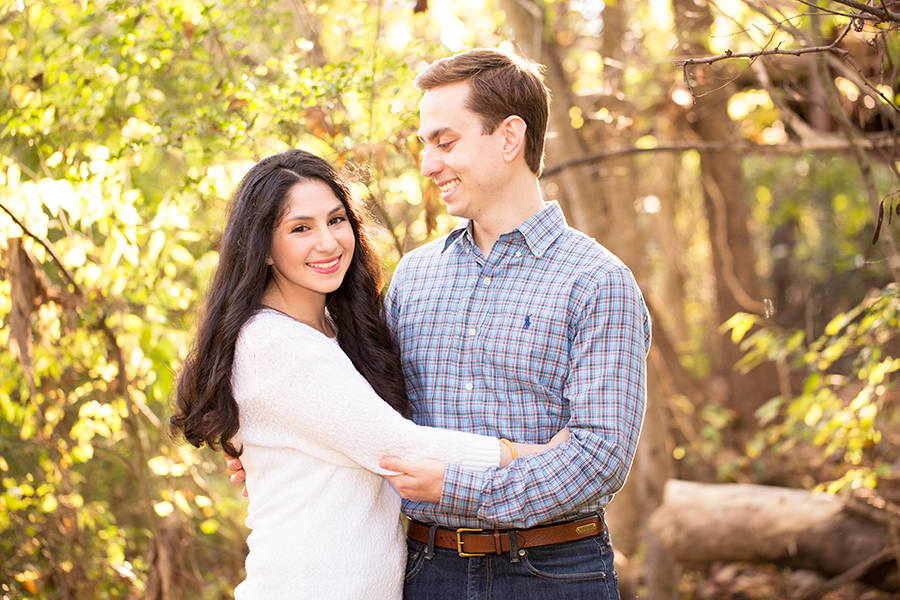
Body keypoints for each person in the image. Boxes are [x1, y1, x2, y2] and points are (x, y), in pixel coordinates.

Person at [169, 148, 566, 599]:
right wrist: (531, 454)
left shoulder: (335, 332)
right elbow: (397, 447)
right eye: (301, 228)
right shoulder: (272, 343)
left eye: (336, 220)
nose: (328, 242)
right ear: (262, 249)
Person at [376, 48, 652, 599]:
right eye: (425, 145)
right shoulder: (414, 276)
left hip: (553, 574)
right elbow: (371, 410)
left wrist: (454, 486)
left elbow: (598, 458)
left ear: (509, 138)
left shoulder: (597, 281)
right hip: (425, 571)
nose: (428, 165)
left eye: (445, 142)